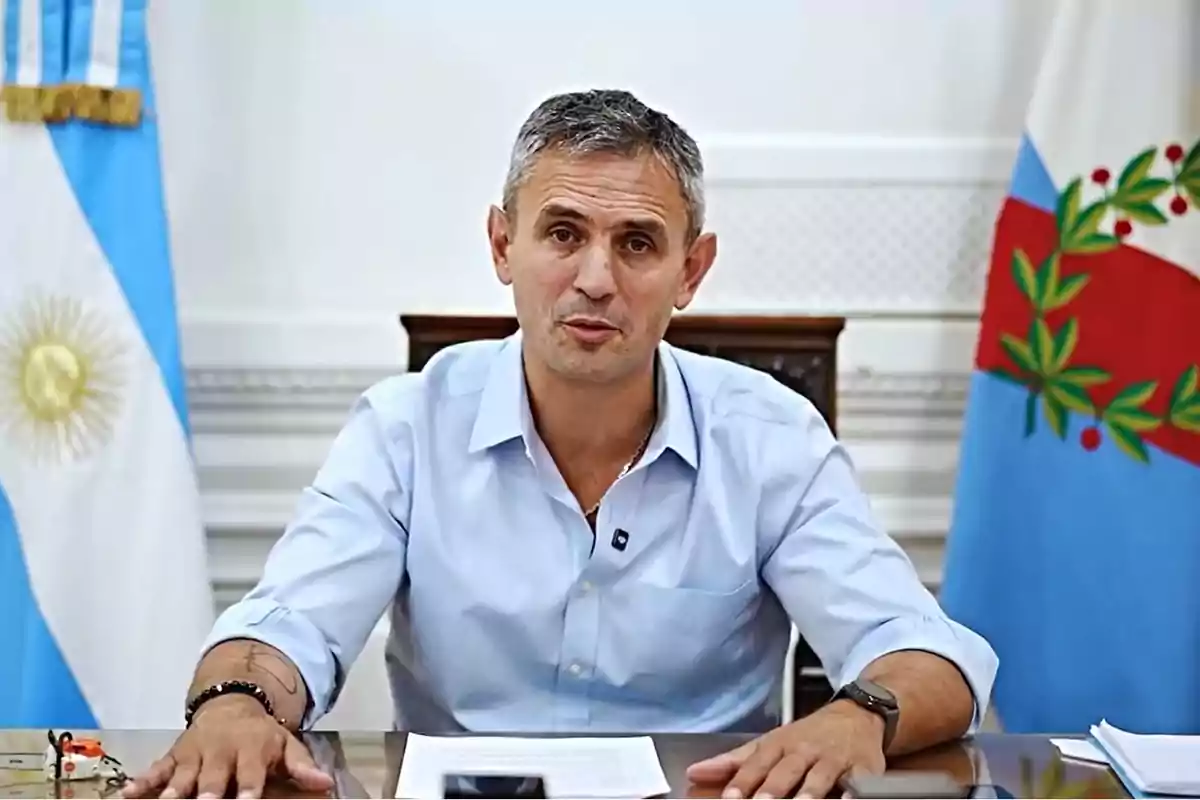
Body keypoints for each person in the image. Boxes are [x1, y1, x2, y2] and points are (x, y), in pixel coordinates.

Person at [123, 89, 997, 800]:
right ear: (504, 245)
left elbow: (926, 651)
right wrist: (237, 702)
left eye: (638, 244)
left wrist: (862, 712)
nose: (594, 279)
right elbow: (289, 624)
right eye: (563, 233)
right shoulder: (405, 428)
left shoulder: (769, 438)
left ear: (691, 271)